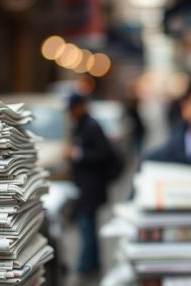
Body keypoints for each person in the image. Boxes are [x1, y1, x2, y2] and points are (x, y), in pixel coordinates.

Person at [65, 93, 119, 277]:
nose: (71, 112)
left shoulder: (90, 126)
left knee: (86, 227)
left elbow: (104, 153)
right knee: (88, 227)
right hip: (87, 186)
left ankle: (83, 267)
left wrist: (78, 154)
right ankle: (93, 264)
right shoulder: (81, 124)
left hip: (90, 188)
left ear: (81, 106)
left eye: (73, 108)